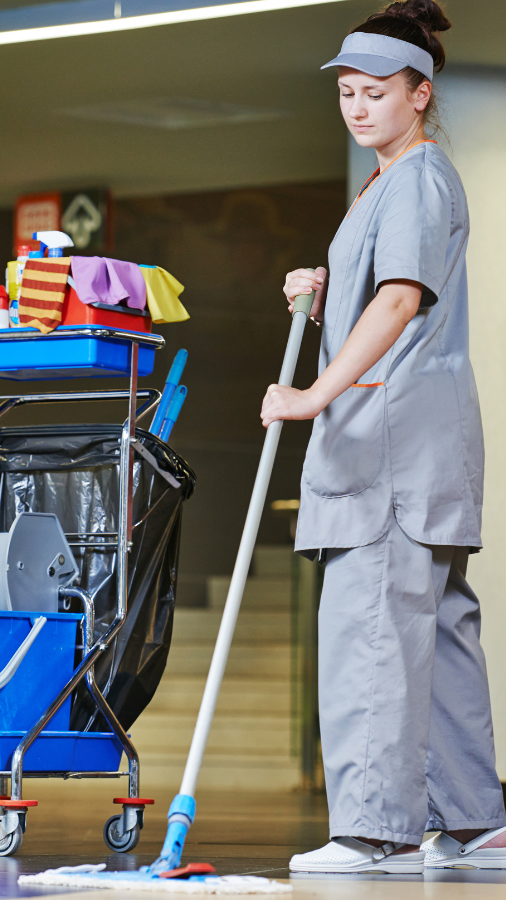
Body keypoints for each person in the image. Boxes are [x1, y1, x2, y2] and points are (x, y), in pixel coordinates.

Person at [260, 0, 506, 875]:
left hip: (392, 452)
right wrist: (326, 291)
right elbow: (384, 288)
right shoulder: (391, 182)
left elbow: (401, 300)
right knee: (435, 633)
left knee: (372, 629)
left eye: (376, 92)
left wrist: (310, 395)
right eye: (347, 94)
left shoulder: (417, 179)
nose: (359, 107)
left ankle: (377, 832)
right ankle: (476, 825)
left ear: (419, 93)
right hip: (413, 446)